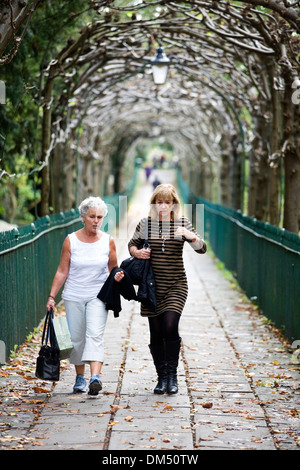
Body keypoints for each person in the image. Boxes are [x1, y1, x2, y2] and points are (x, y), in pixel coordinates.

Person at [128, 184, 206, 395]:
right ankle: (162, 378)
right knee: (156, 331)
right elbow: (132, 245)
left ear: (173, 204)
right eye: (159, 202)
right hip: (151, 287)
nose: (163, 206)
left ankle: (173, 377)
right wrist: (137, 253)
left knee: (170, 326)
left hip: (176, 284)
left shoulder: (182, 223)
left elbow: (202, 249)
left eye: (167, 202)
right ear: (154, 203)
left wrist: (191, 237)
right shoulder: (145, 223)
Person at [46, 196, 124, 396]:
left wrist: (117, 277)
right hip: (73, 295)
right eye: (92, 217)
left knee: (95, 335)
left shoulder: (108, 241)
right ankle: (80, 377)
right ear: (83, 217)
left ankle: (95, 377)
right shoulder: (71, 240)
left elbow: (112, 269)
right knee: (77, 338)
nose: (96, 221)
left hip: (98, 296)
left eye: (99, 217)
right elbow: (62, 270)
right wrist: (52, 297)